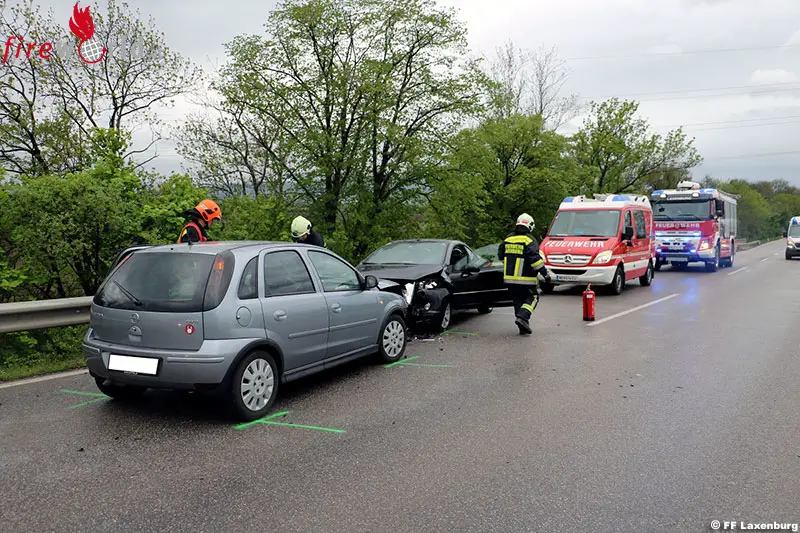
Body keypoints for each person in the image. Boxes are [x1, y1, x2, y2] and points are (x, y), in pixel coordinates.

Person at [497, 213, 552, 335]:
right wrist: (545, 273)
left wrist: (510, 265)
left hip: (509, 278)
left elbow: (501, 255)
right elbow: (535, 259)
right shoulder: (529, 239)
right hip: (525, 278)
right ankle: (523, 318)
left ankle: (522, 325)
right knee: (533, 297)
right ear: (530, 225)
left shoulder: (508, 238)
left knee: (518, 301)